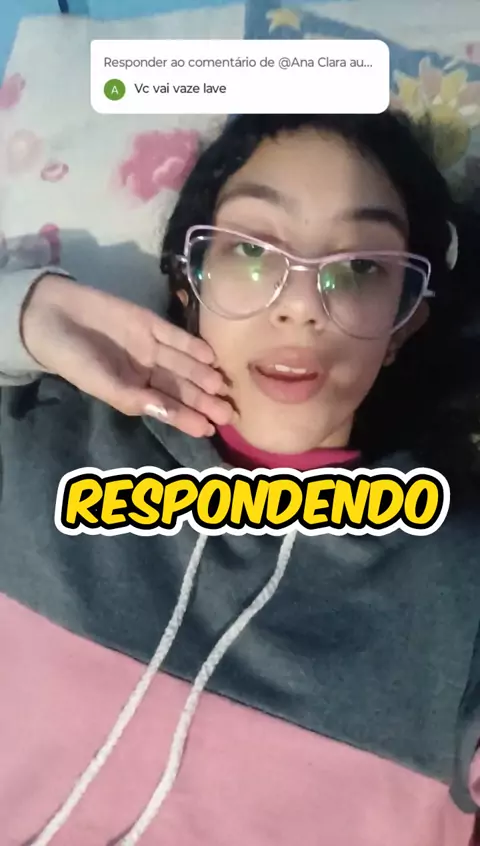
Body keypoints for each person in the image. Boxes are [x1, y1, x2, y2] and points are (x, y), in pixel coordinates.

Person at [1, 112, 480, 846]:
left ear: (403, 323)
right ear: (188, 279)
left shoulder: (459, 582)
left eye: (360, 267)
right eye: (252, 250)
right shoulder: (40, 438)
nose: (301, 306)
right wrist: (27, 313)